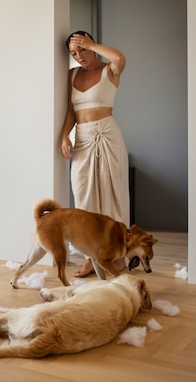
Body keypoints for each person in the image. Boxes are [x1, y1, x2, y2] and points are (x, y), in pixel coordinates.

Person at [60, 31, 130, 278]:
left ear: (92, 46)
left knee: (114, 196)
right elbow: (70, 110)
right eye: (74, 54)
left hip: (108, 136)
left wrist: (94, 45)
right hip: (83, 138)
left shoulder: (109, 70)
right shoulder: (71, 76)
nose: (79, 57)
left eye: (83, 50)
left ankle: (118, 255)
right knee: (84, 199)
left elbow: (120, 58)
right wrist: (64, 135)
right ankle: (91, 258)